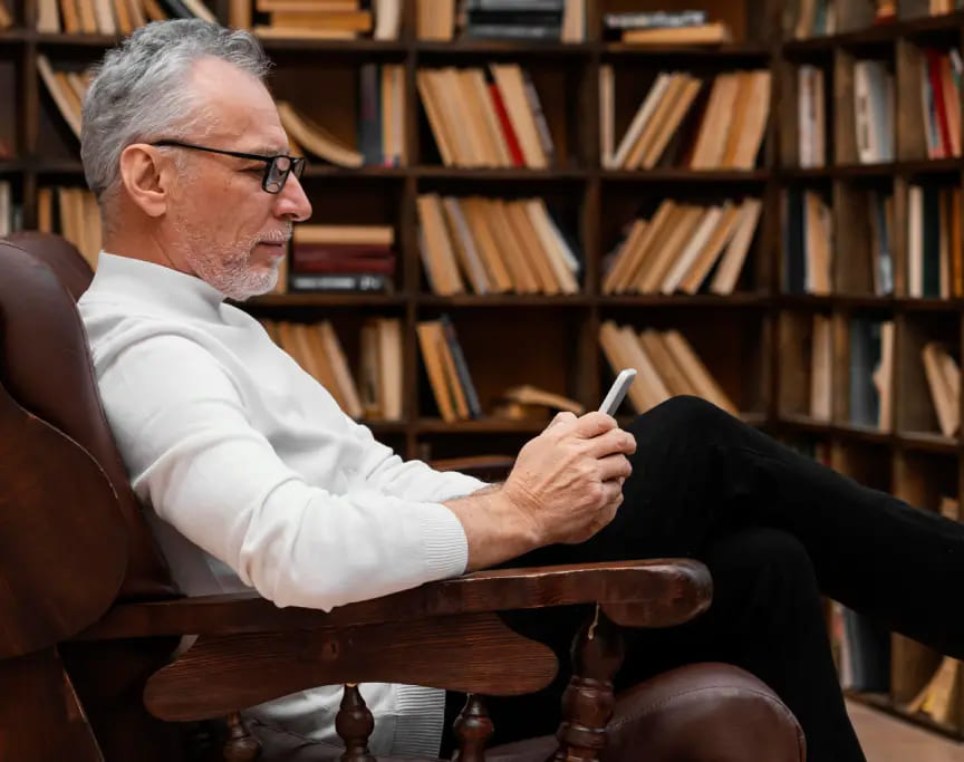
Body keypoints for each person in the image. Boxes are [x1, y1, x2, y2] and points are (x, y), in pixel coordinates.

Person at [76, 20, 964, 762]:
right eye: (264, 170)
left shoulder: (212, 325)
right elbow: (293, 548)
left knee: (766, 563)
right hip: (387, 673)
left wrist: (519, 492)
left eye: (293, 169)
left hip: (408, 639)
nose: (299, 203)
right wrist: (522, 518)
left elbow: (375, 481)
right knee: (693, 437)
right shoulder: (150, 348)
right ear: (151, 176)